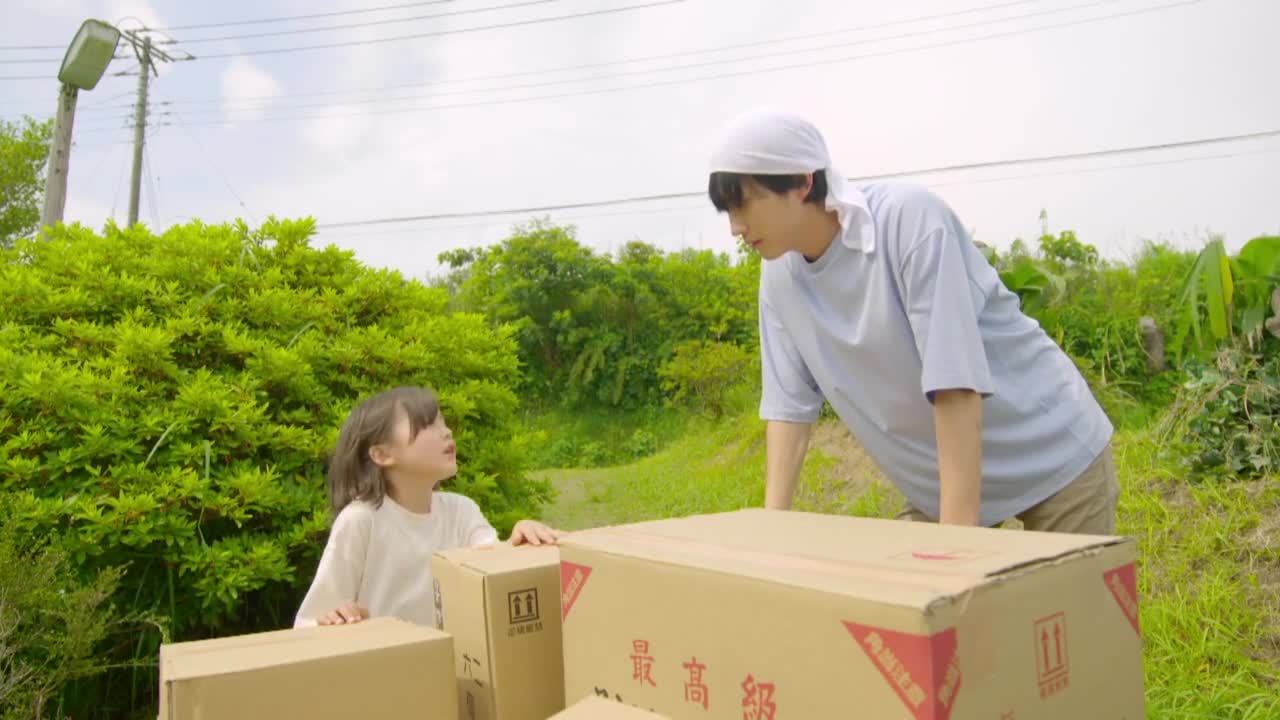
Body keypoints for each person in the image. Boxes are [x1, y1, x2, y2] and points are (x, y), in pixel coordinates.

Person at [705, 108, 1118, 534]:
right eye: (726, 211)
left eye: (743, 203)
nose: (735, 227)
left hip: (1049, 453)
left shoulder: (908, 222)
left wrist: (955, 541)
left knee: (1056, 583)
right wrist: (771, 531)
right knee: (907, 578)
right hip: (941, 482)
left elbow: (954, 381)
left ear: (802, 181)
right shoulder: (778, 279)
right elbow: (789, 408)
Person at [295, 386, 562, 628]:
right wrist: (336, 618)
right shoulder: (361, 520)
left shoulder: (461, 511)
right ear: (382, 454)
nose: (446, 432)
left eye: (442, 422)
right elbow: (309, 623)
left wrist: (519, 541)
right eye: (428, 425)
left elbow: (493, 569)